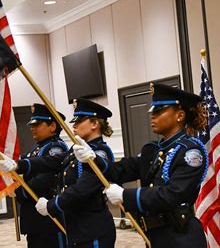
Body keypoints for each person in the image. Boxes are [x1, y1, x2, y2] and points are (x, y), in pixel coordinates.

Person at [74, 83, 209, 248]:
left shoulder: (190, 152)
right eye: (153, 112)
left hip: (180, 237)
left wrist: (126, 195)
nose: (153, 116)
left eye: (159, 112)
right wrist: (92, 159)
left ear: (179, 115)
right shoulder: (152, 151)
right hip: (155, 236)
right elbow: (120, 171)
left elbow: (172, 195)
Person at [0, 98, 116, 247]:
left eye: (80, 120)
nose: (74, 125)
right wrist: (17, 165)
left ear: (94, 124)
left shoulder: (99, 152)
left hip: (92, 228)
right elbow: (51, 161)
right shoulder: (77, 150)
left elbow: (83, 188)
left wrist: (52, 205)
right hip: (76, 226)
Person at [15, 103, 69, 248]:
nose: (32, 127)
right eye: (32, 124)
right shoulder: (37, 147)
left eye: (38, 124)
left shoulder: (55, 148)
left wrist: (18, 192)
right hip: (34, 216)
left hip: (49, 217)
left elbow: (43, 181)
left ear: (52, 126)